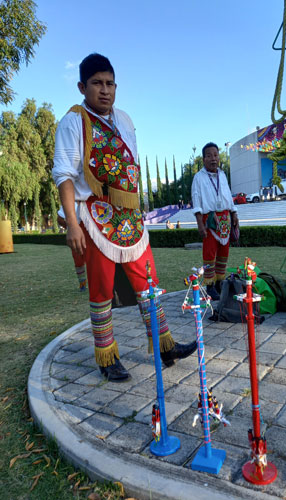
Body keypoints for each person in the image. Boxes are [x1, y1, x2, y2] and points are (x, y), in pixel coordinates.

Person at [52, 53, 196, 381]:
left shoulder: (126, 119)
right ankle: (106, 355)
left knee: (149, 281)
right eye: (97, 84)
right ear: (81, 87)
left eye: (109, 83)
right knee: (102, 288)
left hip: (130, 218)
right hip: (95, 215)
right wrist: (72, 223)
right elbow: (63, 174)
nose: (104, 90)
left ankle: (164, 345)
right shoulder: (74, 121)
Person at [191, 142, 239, 300]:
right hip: (210, 219)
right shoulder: (198, 177)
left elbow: (228, 195)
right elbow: (196, 200)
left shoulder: (223, 175)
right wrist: (200, 223)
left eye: (216, 155)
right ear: (204, 159)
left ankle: (219, 282)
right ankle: (210, 285)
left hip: (225, 218)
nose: (213, 158)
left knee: (224, 253)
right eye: (209, 155)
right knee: (210, 252)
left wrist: (234, 214)